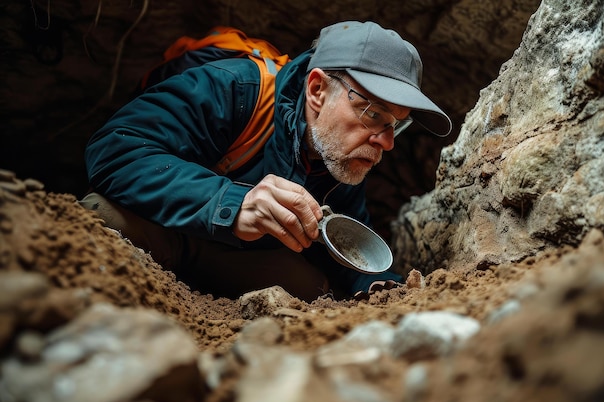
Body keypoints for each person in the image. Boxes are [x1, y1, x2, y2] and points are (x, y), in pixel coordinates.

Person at [81, 21, 452, 302]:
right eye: (373, 114)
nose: (385, 142)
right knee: (101, 216)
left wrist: (379, 284)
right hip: (162, 229)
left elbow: (349, 240)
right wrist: (232, 204)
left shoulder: (341, 156)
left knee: (314, 288)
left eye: (395, 125)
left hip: (227, 260)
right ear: (317, 90)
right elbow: (115, 148)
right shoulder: (235, 90)